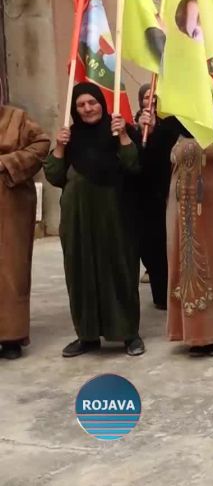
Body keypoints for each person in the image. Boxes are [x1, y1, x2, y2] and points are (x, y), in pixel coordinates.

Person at [44, 83, 144, 357]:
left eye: (92, 102)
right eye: (81, 105)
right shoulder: (69, 137)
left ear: (102, 102)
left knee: (120, 270)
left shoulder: (119, 131)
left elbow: (133, 165)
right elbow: (54, 176)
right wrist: (60, 147)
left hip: (115, 216)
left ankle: (129, 334)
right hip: (77, 220)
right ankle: (86, 335)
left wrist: (124, 135)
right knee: (80, 274)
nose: (88, 108)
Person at [148, 108, 213, 357]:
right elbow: (151, 162)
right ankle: (189, 333)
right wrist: (148, 129)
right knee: (182, 264)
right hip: (180, 209)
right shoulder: (171, 125)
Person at [0, 105, 50, 359]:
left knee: (12, 271)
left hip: (11, 204)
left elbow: (42, 144)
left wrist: (7, 163)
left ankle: (11, 336)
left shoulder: (17, 118)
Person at [136, 83, 170, 309]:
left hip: (168, 193)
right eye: (147, 97)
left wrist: (157, 130)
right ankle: (159, 292)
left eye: (155, 97)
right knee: (151, 248)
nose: (152, 101)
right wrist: (143, 132)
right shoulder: (136, 125)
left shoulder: (170, 125)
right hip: (146, 197)